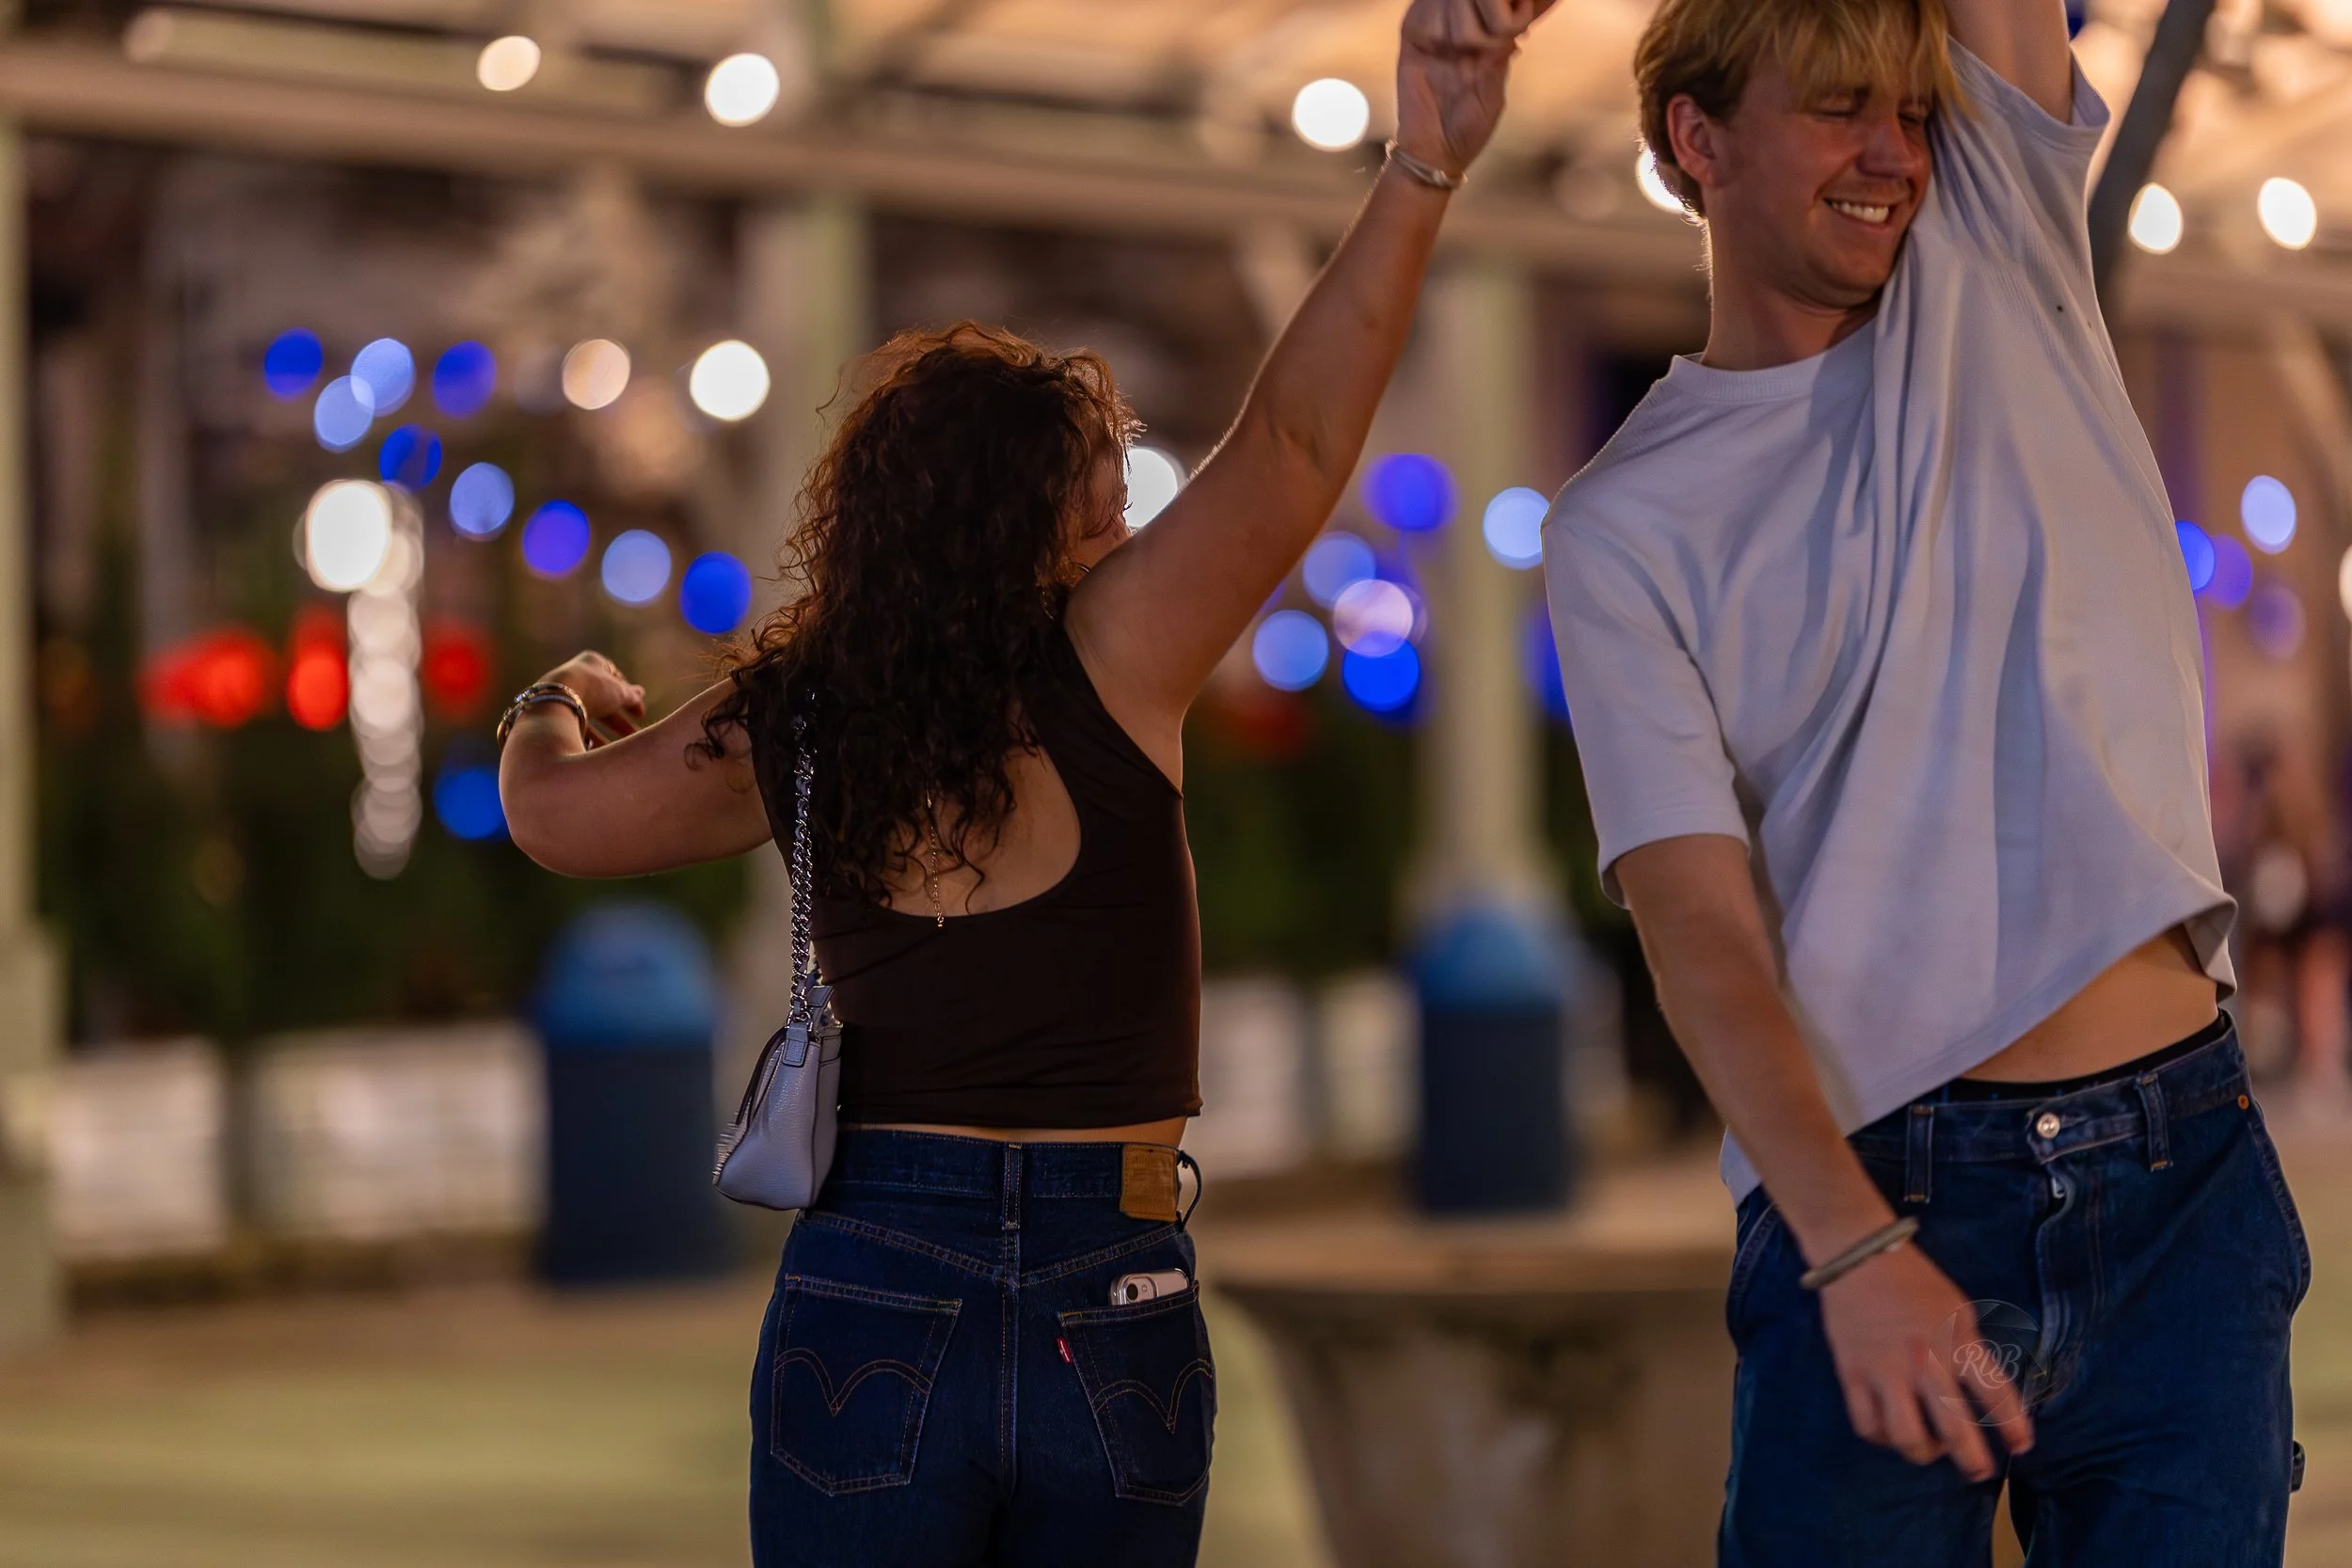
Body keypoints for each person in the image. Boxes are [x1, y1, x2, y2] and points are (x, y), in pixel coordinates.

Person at [497, 2, 1549, 1561]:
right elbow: (1298, 436)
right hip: (1107, 1280)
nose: (1126, 536)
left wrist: (555, 699)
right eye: (1102, 509)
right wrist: (1422, 165)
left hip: (869, 1278)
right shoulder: (1118, 653)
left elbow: (554, 816)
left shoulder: (799, 711)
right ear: (1025, 522)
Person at [1543, 0, 2303, 1562]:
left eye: (1912, 109)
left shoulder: (1999, 247)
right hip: (1878, 1184)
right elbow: (1698, 927)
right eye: (1840, 108)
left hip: (2182, 1166)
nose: (1896, 153)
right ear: (1697, 137)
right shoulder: (1624, 525)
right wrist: (1850, 1245)